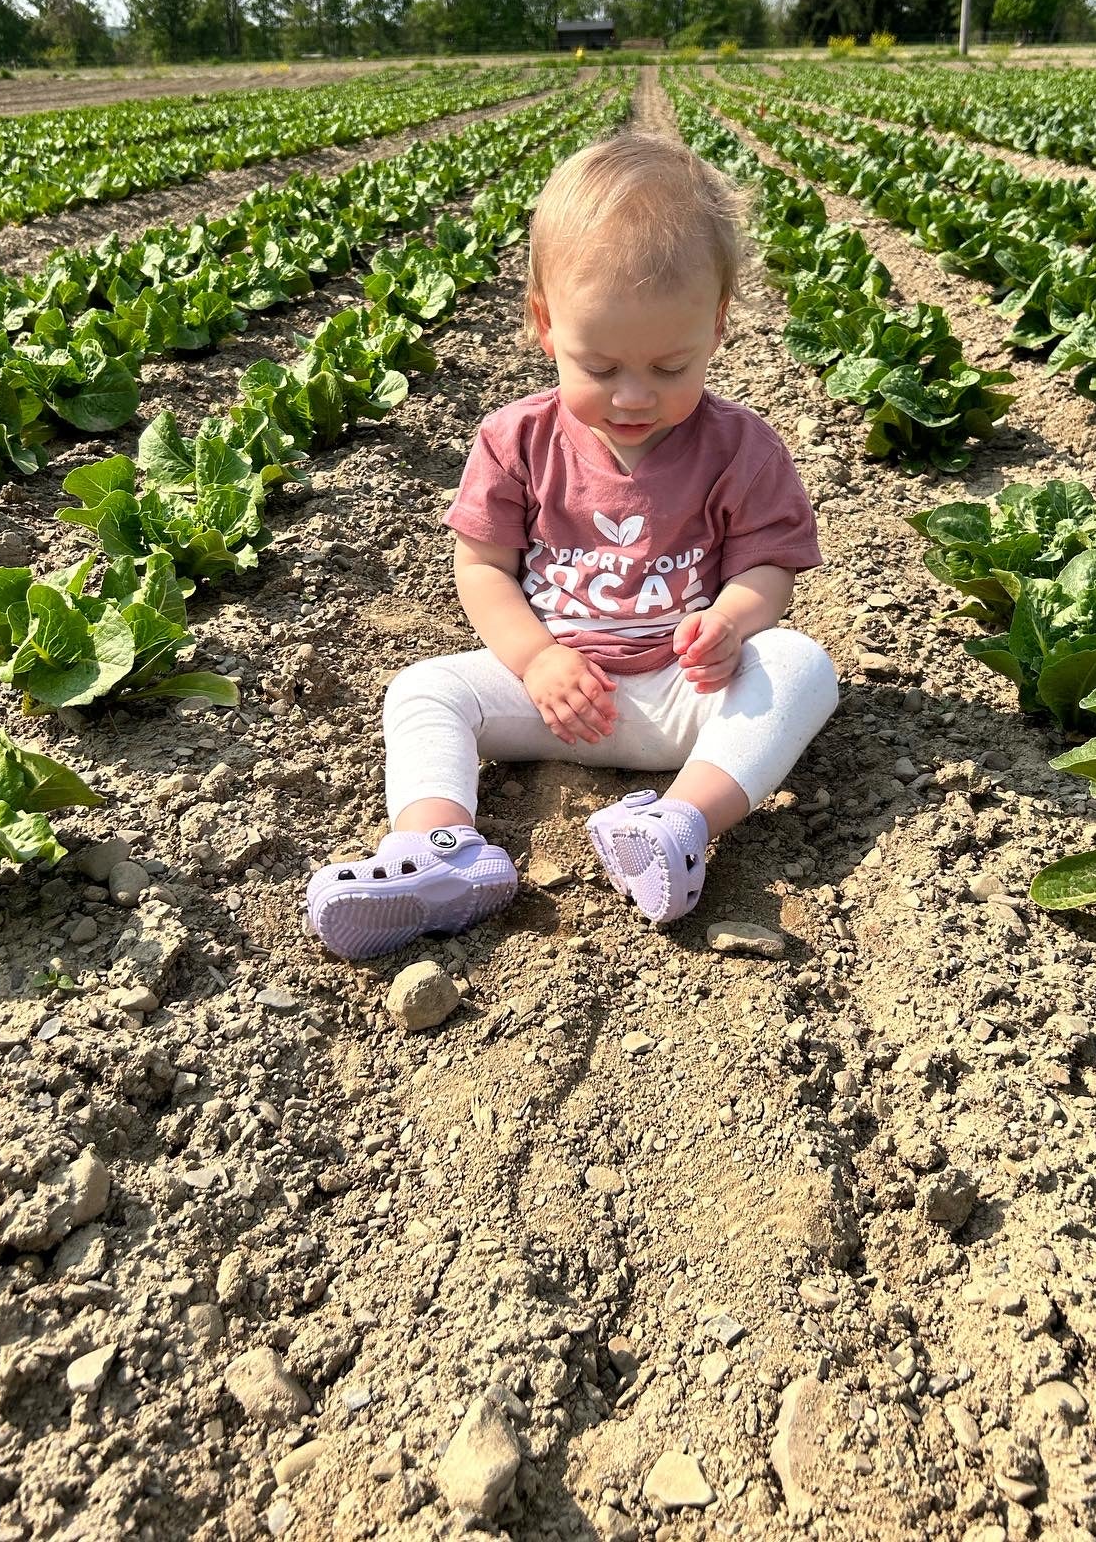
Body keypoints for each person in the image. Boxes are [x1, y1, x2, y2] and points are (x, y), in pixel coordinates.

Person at [306, 129, 838, 961]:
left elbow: (768, 569)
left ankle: (681, 822)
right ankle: (436, 851)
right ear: (545, 326)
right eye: (599, 366)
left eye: (671, 367)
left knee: (802, 665)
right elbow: (481, 567)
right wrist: (536, 659)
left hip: (678, 694)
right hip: (555, 693)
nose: (634, 396)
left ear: (719, 327)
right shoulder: (516, 439)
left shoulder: (742, 447)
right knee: (424, 690)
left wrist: (733, 620)